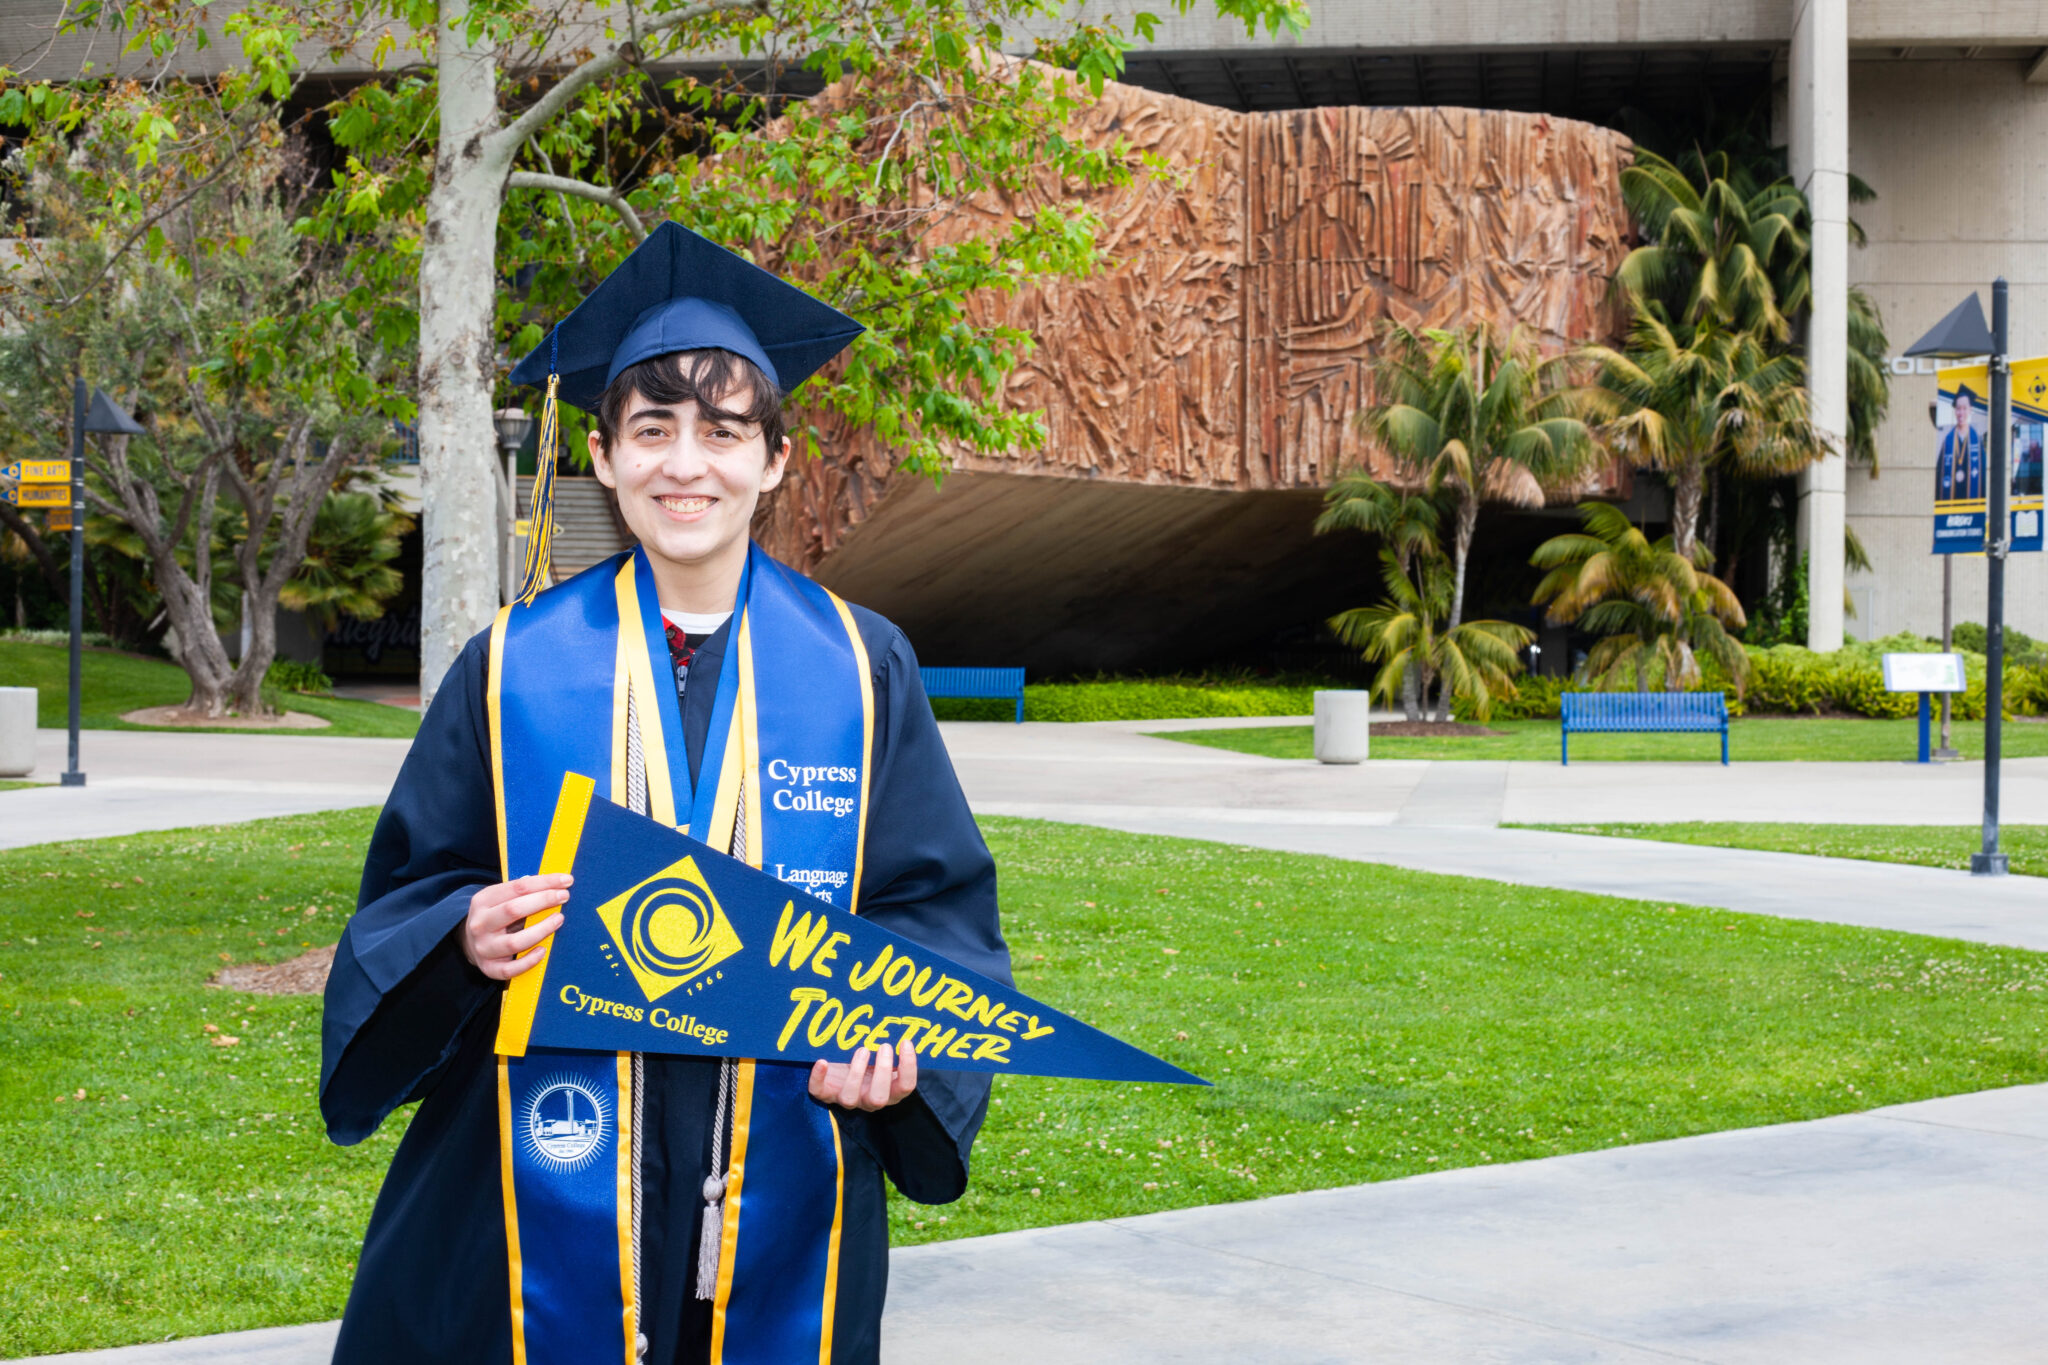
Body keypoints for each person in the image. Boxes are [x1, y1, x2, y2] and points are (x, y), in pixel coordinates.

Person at [320, 223, 1010, 1365]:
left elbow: (930, 908)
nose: (684, 464)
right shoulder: (507, 667)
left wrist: (905, 1043)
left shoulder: (859, 663)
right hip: (540, 1157)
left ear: (774, 461)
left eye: (722, 431)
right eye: (651, 430)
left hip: (785, 1152)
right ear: (601, 457)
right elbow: (410, 889)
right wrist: (462, 930)